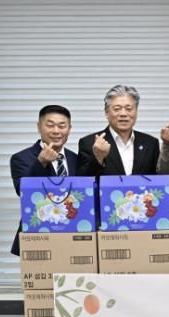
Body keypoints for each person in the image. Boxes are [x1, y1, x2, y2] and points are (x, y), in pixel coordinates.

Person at [9, 105, 76, 255]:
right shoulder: (21, 158)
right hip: (36, 236)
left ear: (69, 129)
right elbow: (22, 191)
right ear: (39, 127)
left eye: (62, 126)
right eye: (50, 125)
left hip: (72, 234)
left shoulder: (76, 159)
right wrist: (41, 163)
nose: (56, 131)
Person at [77, 84, 159, 176]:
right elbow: (81, 181)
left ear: (136, 112)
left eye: (129, 109)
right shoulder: (89, 143)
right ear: (106, 112)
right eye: (117, 109)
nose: (123, 114)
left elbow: (159, 179)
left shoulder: (151, 144)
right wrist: (98, 158)